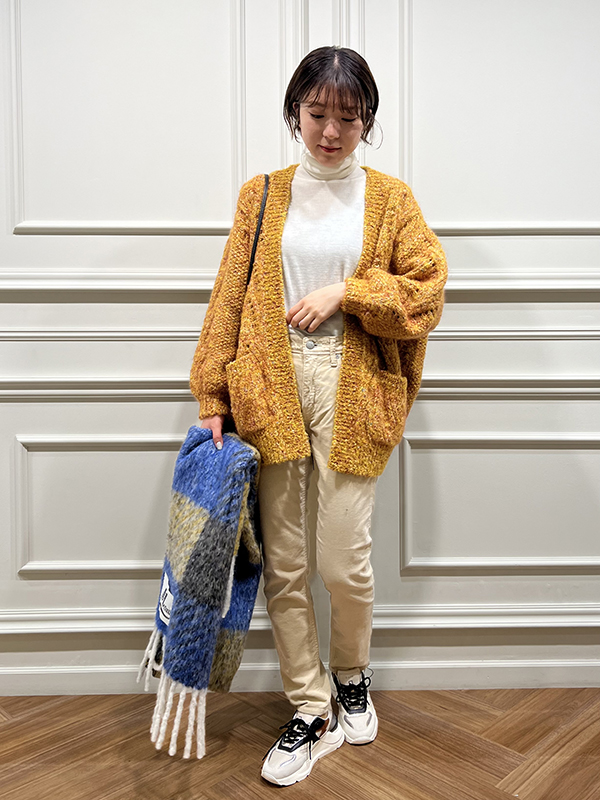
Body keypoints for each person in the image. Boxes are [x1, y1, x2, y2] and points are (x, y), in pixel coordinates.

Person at [189, 45, 447, 787]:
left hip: (352, 382)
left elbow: (427, 289)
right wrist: (212, 396)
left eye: (348, 117)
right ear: (295, 112)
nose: (331, 131)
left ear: (367, 120)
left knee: (343, 556)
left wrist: (348, 293)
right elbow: (229, 298)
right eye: (317, 113)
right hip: (270, 381)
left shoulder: (390, 199)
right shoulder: (263, 195)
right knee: (287, 562)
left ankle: (351, 673)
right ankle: (310, 705)